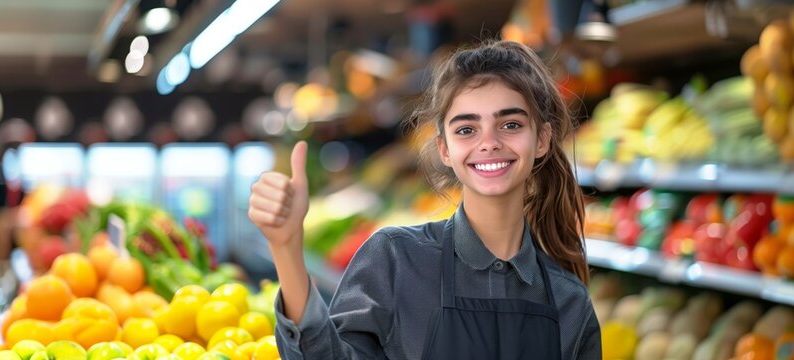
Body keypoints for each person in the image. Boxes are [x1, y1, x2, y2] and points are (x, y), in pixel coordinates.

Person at [248, 39, 601, 360]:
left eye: (510, 124)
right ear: (444, 149)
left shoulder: (569, 301)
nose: (489, 142)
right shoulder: (395, 259)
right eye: (466, 129)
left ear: (541, 139)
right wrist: (287, 248)